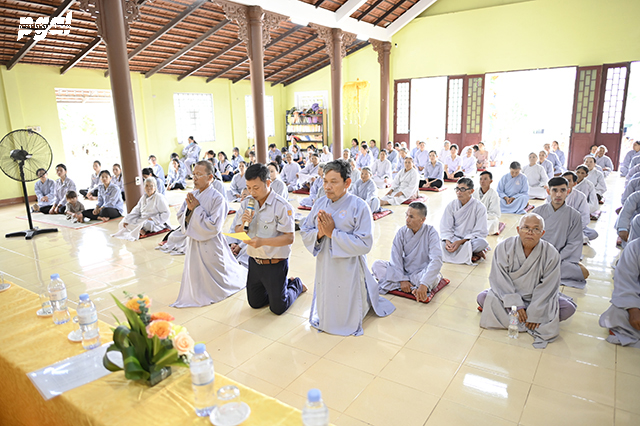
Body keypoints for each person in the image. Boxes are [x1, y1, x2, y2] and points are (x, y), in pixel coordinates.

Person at [300, 160, 395, 336]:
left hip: (349, 268)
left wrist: (332, 233)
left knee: (347, 307)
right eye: (325, 181)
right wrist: (320, 233)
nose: (327, 187)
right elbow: (305, 230)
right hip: (325, 264)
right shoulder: (320, 203)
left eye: (333, 182)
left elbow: (365, 244)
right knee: (327, 301)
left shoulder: (359, 206)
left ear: (347, 183)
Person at [477, 213, 576, 349]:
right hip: (509, 297)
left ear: (542, 233)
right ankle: (530, 321)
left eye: (536, 229)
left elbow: (549, 286)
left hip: (538, 299)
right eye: (526, 228)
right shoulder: (504, 247)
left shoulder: (551, 253)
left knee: (568, 308)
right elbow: (499, 279)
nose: (530, 232)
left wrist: (536, 312)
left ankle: (518, 319)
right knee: (482, 297)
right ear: (518, 230)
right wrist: (516, 304)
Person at [231, 164, 306, 315]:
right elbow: (238, 231)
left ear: (268, 183)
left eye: (256, 188)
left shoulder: (282, 206)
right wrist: (243, 224)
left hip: (275, 263)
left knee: (278, 308)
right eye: (248, 188)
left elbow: (289, 238)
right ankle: (278, 288)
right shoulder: (247, 203)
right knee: (255, 303)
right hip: (254, 261)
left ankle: (295, 284)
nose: (252, 192)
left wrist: (262, 242)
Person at [171, 161, 247, 307]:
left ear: (210, 177)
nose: (194, 178)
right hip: (194, 243)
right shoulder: (192, 195)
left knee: (219, 278)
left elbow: (213, 227)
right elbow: (181, 216)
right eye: (194, 174)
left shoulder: (218, 198)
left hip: (211, 244)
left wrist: (196, 209)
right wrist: (189, 210)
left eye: (199, 175)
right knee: (196, 273)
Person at [372, 202, 443, 301]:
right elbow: (395, 257)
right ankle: (412, 287)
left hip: (420, 273)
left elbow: (436, 259)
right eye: (406, 215)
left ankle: (406, 286)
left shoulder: (431, 233)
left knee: (434, 277)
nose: (407, 219)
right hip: (403, 271)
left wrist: (424, 284)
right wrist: (402, 279)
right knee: (377, 265)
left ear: (422, 220)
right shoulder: (402, 232)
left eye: (411, 217)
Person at [532, 177, 588, 288]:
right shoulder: (537, 212)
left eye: (562, 190)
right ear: (548, 191)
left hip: (561, 259)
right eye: (554, 190)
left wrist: (556, 258)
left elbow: (574, 243)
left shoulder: (574, 216)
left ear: (568, 191)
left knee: (584, 273)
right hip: (538, 257)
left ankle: (539, 274)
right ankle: (541, 272)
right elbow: (529, 238)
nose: (558, 194)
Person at [599, 236, 640, 347]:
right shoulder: (635, 247)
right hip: (637, 302)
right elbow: (625, 281)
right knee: (618, 313)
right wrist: (633, 309)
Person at [440, 178, 489, 265]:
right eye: (457, 189)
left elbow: (480, 231)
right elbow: (445, 227)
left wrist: (460, 242)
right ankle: (470, 252)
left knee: (482, 243)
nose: (458, 192)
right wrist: (448, 241)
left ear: (471, 191)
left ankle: (467, 250)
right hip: (453, 239)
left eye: (462, 189)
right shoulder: (451, 205)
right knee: (434, 240)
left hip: (469, 240)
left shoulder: (479, 207)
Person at [562, 171, 598, 241]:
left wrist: (575, 228)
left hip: (575, 226)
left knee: (593, 233)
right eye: (563, 180)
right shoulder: (553, 194)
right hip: (557, 225)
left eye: (568, 181)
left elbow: (584, 216)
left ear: (574, 184)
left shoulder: (580, 196)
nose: (565, 183)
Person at [473, 171, 501, 235]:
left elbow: (494, 213)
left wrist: (481, 215)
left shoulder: (494, 194)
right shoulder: (475, 192)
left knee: (494, 222)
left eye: (485, 179)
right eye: (481, 179)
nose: (482, 181)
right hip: (474, 216)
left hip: (487, 218)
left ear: (491, 181)